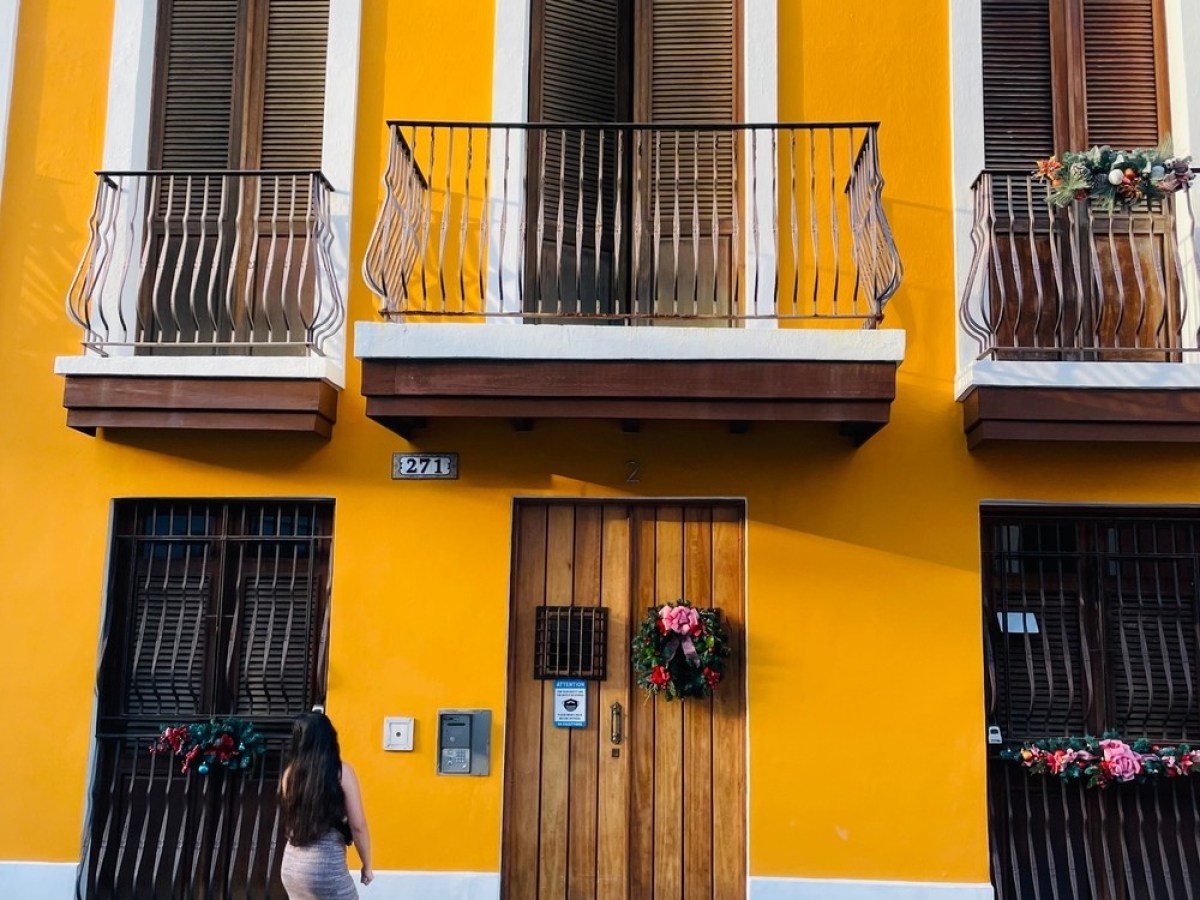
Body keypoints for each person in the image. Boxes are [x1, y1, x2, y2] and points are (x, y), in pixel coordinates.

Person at [280, 711, 374, 898]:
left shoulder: (290, 773)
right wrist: (367, 865)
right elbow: (358, 826)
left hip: (291, 864)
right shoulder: (341, 772)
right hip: (325, 864)